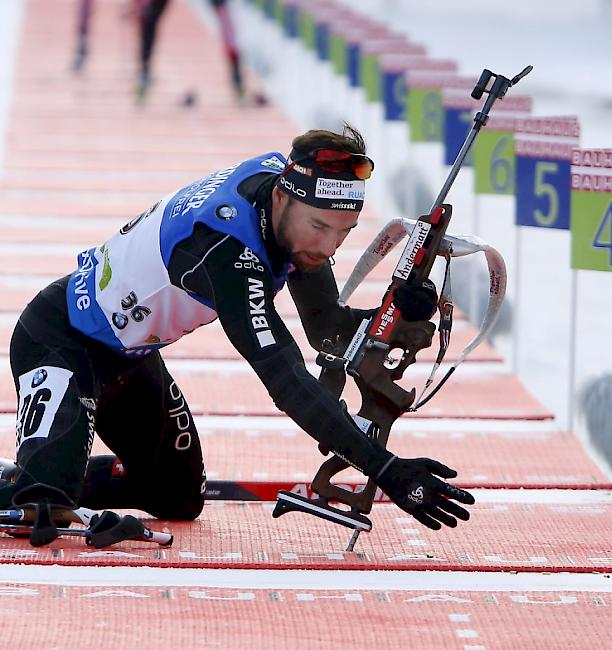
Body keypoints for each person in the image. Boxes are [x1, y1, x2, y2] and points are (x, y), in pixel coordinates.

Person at [1, 124, 474, 540]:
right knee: (41, 509)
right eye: (319, 228)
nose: (326, 246)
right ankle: (41, 476)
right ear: (283, 198)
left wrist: (397, 314)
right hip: (60, 339)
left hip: (129, 357)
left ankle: (54, 464)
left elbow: (327, 331)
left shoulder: (290, 206)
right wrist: (385, 469)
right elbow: (287, 383)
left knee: (177, 498)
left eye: (343, 232)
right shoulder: (227, 250)